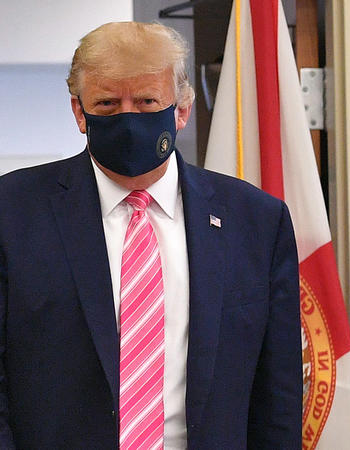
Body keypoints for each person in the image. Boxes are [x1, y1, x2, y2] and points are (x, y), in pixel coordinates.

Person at [0, 22, 301, 449]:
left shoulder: (255, 222)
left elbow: (279, 396)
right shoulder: (12, 213)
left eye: (146, 101)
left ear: (181, 109)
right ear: (79, 112)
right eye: (106, 104)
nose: (128, 119)